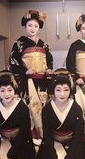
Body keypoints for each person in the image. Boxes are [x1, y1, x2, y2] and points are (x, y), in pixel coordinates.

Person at [9, 10, 53, 138]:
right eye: (29, 25)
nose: (32, 28)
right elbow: (13, 62)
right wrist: (25, 71)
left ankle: (43, 135)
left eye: (36, 26)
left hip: (42, 81)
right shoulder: (19, 43)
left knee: (42, 107)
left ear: (39, 27)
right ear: (25, 26)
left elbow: (49, 60)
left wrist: (49, 69)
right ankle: (30, 136)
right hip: (27, 81)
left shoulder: (43, 44)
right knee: (29, 108)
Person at [36, 69, 85, 159]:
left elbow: (78, 136)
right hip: (54, 142)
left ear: (70, 90)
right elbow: (47, 136)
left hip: (72, 143)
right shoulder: (47, 109)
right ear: (53, 90)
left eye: (66, 90)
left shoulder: (76, 109)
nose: (62, 94)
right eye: (58, 90)